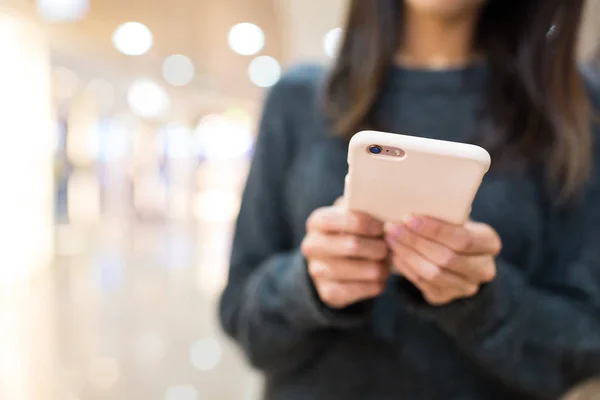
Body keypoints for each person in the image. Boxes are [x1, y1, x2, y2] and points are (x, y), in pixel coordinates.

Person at [219, 0, 600, 399]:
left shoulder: (573, 110)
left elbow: (585, 348)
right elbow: (241, 320)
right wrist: (309, 285)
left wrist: (481, 301)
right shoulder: (297, 100)